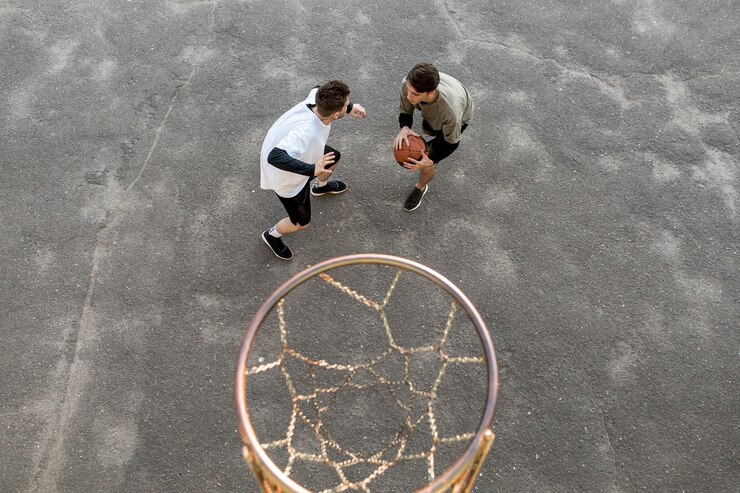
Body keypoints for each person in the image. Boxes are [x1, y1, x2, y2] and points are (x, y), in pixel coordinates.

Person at [260, 80, 367, 260]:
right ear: (335, 115)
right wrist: (312, 169)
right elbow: (275, 157)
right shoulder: (306, 131)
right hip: (286, 178)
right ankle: (272, 235)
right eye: (346, 105)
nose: (350, 104)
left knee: (333, 157)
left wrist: (349, 108)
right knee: (301, 222)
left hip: (299, 153)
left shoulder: (316, 98)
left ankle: (319, 186)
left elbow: (317, 85)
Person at [393, 62, 473, 211]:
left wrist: (430, 160)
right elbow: (405, 112)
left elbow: (452, 143)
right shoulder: (408, 84)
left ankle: (421, 187)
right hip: (441, 106)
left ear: (431, 92)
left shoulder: (450, 111)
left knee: (427, 161)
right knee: (430, 127)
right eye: (409, 91)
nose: (409, 96)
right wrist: (404, 128)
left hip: (461, 111)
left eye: (415, 94)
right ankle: (433, 129)